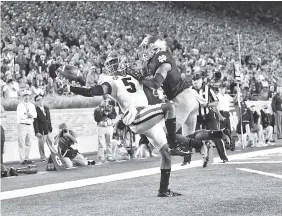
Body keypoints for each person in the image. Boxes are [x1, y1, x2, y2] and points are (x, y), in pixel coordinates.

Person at [65, 51, 202, 197]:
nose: (117, 66)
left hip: (147, 116)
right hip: (136, 115)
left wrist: (144, 77)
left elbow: (154, 83)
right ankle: (175, 143)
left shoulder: (134, 76)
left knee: (166, 153)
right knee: (170, 107)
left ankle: (164, 190)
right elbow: (92, 91)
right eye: (113, 64)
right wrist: (71, 88)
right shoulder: (111, 80)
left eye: (117, 62)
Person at [138, 35, 206, 137]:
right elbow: (148, 76)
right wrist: (142, 71)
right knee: (189, 139)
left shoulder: (162, 58)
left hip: (182, 99)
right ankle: (212, 137)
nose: (145, 51)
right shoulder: (155, 60)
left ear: (156, 48)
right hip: (188, 97)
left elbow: (156, 83)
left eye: (147, 47)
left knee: (159, 135)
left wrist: (142, 79)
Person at [182, 73, 228, 165]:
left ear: (201, 80)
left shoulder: (208, 89)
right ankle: (186, 160)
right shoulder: (189, 91)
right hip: (196, 117)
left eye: (197, 81)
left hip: (208, 115)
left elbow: (216, 102)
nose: (195, 83)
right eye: (194, 81)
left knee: (216, 135)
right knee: (189, 137)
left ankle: (224, 157)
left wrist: (207, 105)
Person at [94, 95, 117, 164]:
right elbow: (97, 119)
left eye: (107, 100)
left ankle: (109, 156)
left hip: (109, 126)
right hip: (101, 126)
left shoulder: (111, 107)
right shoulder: (97, 108)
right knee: (101, 143)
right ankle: (101, 157)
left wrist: (108, 114)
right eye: (105, 100)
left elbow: (114, 116)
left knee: (109, 142)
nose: (106, 102)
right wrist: (102, 112)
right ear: (102, 100)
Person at [33, 94, 56, 162]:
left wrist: (50, 126)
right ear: (36, 102)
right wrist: (36, 131)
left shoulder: (46, 108)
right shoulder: (35, 110)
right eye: (38, 100)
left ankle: (54, 155)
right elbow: (35, 122)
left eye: (41, 99)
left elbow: (49, 119)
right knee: (41, 144)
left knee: (50, 142)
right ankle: (43, 157)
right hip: (41, 130)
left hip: (47, 129)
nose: (40, 101)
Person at [16, 90, 37, 164]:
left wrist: (27, 114)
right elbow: (21, 116)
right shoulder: (20, 105)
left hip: (30, 125)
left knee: (29, 143)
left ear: (29, 96)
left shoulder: (32, 105)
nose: (26, 97)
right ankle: (22, 160)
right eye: (25, 96)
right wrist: (29, 115)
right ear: (22, 97)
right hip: (22, 125)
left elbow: (35, 115)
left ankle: (27, 158)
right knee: (21, 143)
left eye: (27, 96)